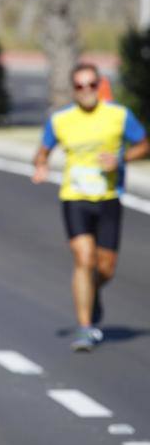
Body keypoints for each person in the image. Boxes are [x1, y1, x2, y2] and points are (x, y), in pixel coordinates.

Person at [32, 63, 149, 352]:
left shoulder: (118, 116)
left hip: (109, 197)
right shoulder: (61, 120)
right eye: (80, 86)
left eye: (91, 85)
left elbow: (144, 144)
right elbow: (43, 150)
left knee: (105, 268)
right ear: (73, 90)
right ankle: (86, 328)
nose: (86, 91)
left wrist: (121, 159)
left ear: (100, 86)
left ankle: (92, 293)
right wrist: (41, 165)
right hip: (75, 198)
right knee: (84, 259)